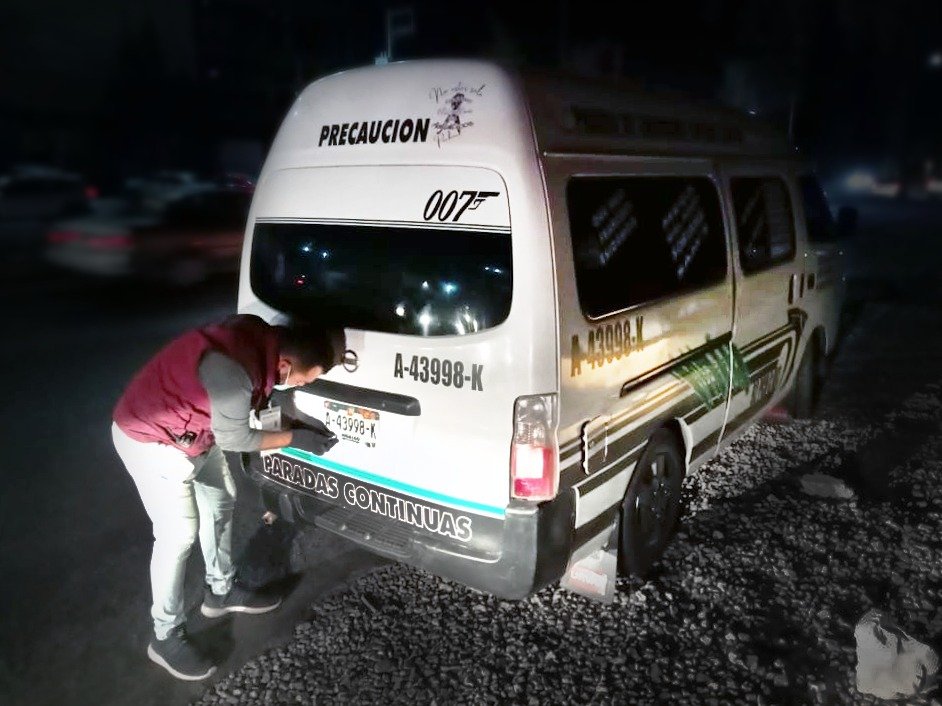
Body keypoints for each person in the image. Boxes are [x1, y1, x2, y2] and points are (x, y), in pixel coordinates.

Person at [111, 313, 338, 681]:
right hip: (150, 438)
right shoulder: (234, 371)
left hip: (195, 435)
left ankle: (220, 591)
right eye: (302, 379)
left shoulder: (260, 341)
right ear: (284, 364)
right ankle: (165, 636)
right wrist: (296, 439)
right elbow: (236, 438)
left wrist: (286, 426)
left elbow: (251, 409)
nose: (300, 385)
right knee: (178, 535)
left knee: (221, 503)